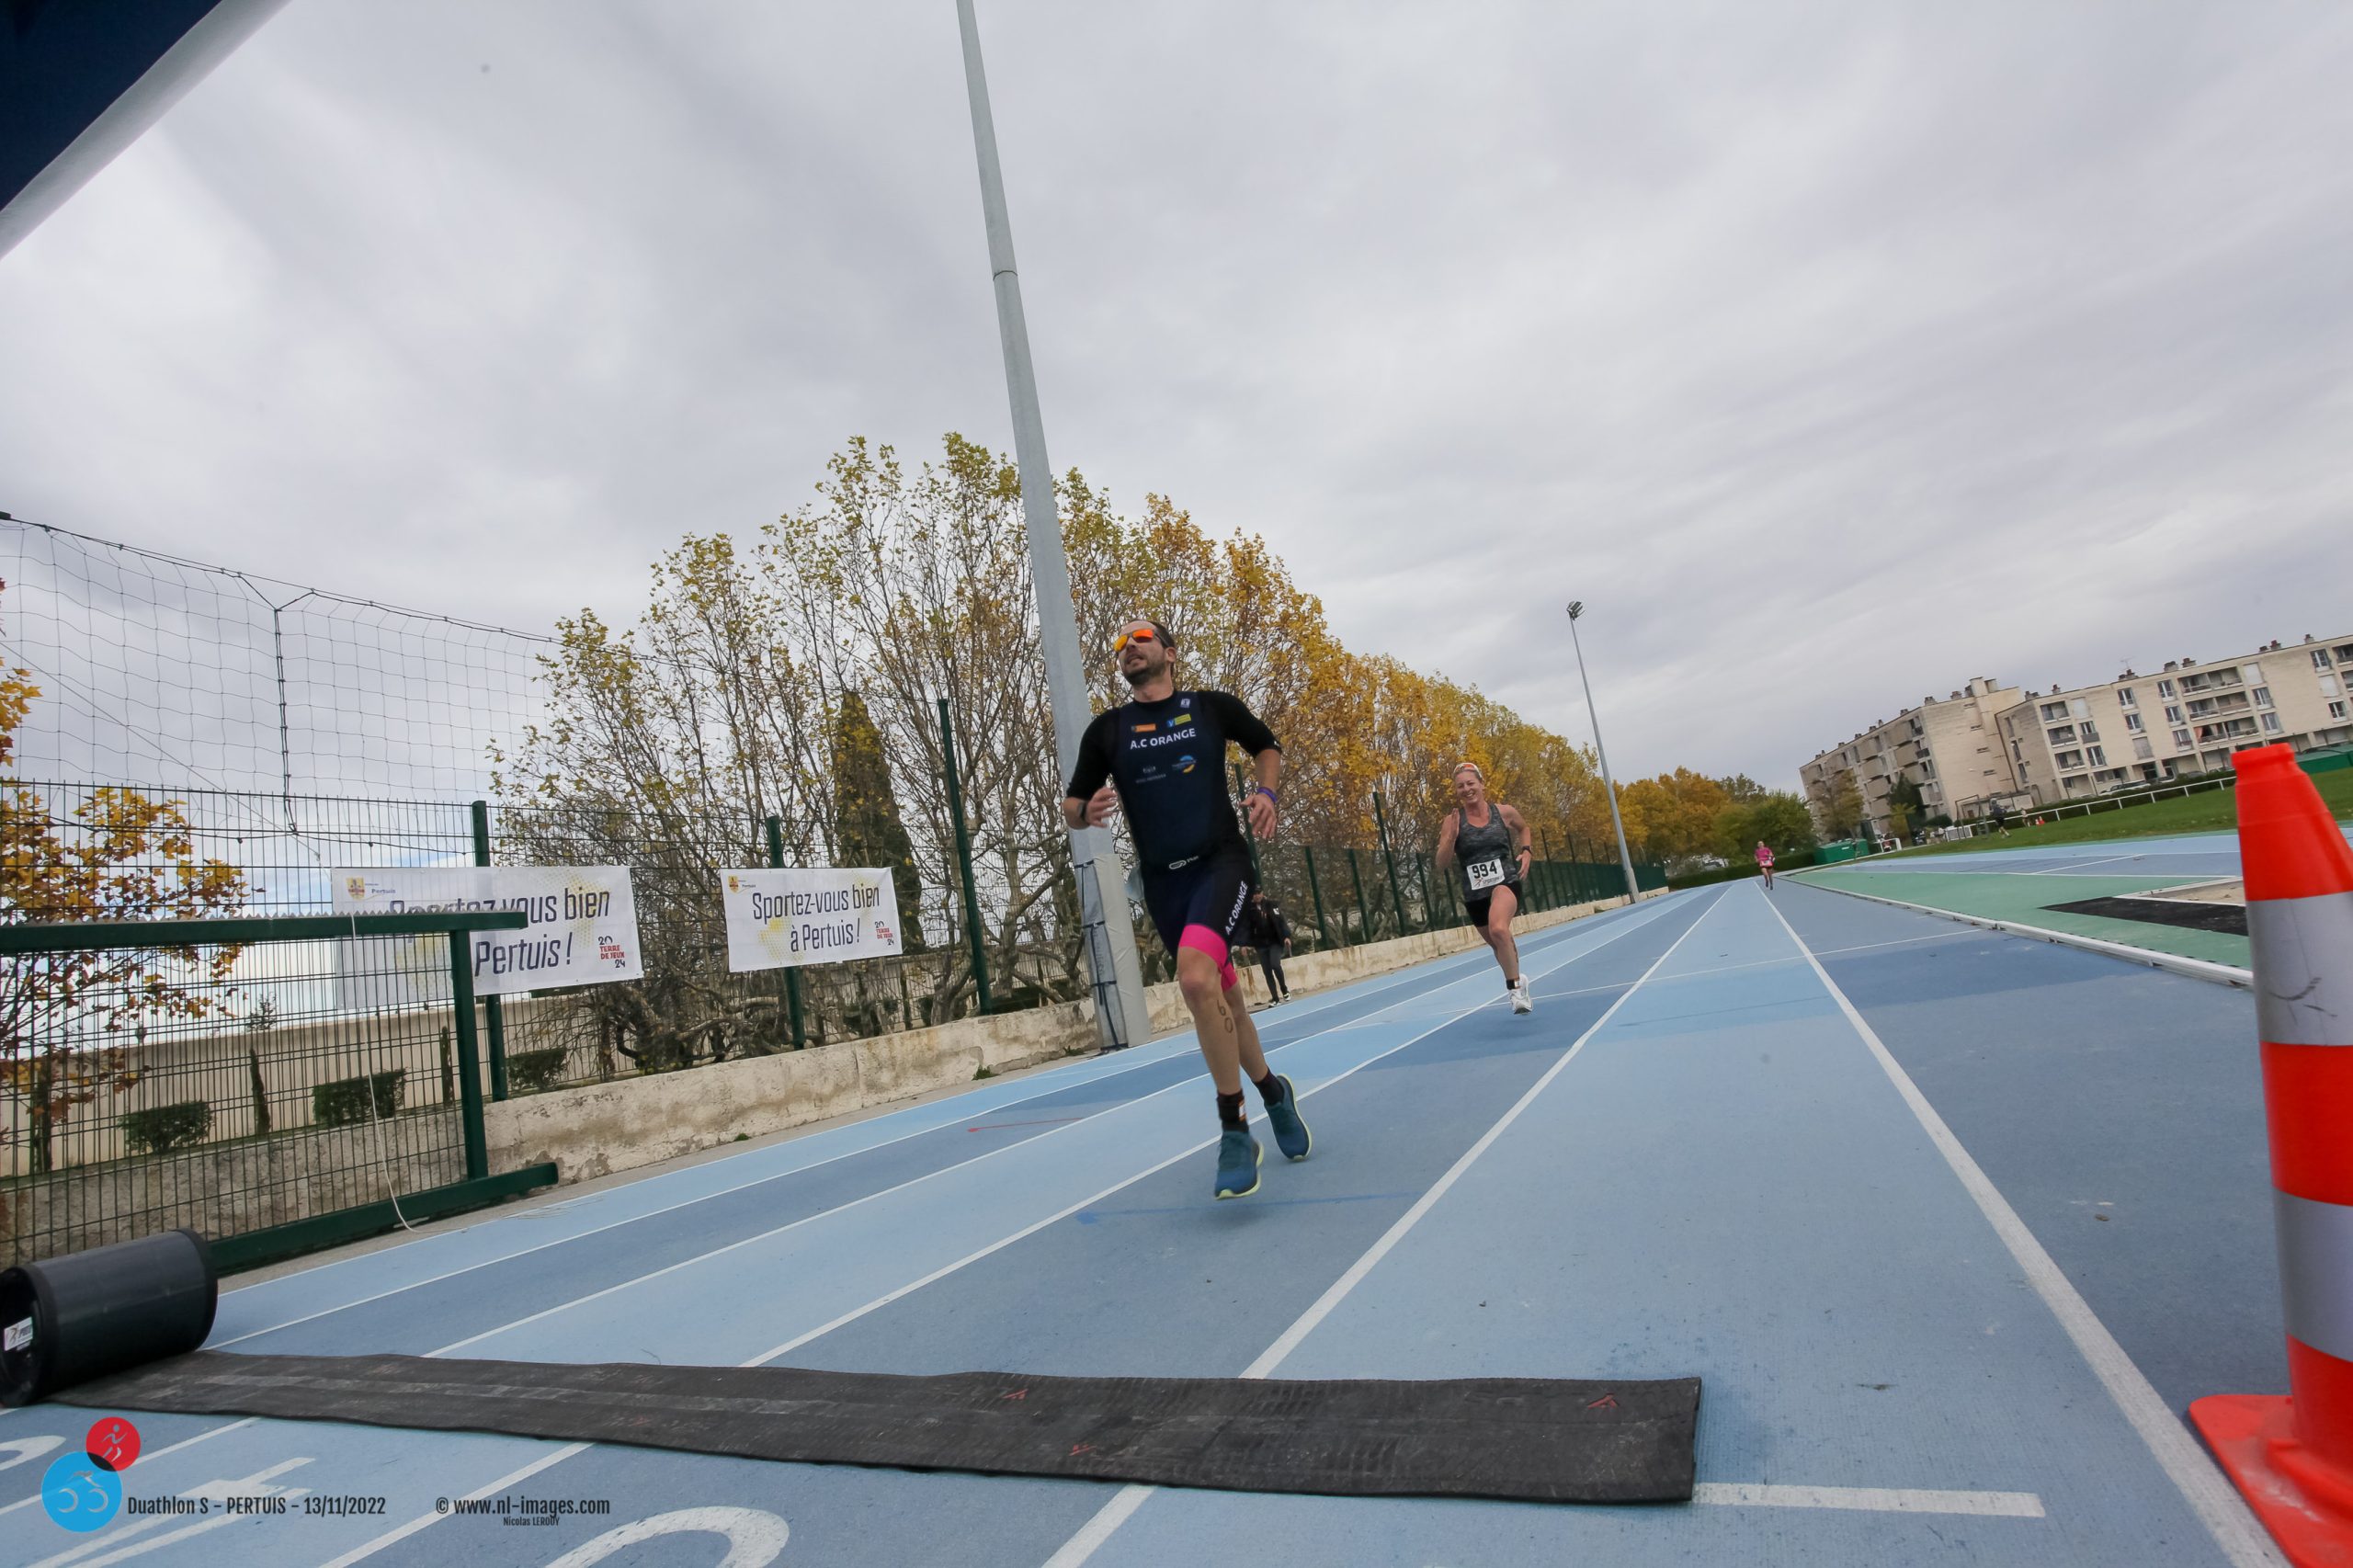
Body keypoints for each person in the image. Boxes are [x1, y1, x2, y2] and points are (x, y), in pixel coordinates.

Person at [1063, 618, 1311, 1200]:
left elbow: (1267, 746)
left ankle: (1234, 1128)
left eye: (1140, 638)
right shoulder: (1108, 731)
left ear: (1170, 653)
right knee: (1223, 999)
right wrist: (1086, 812)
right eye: (1120, 643)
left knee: (1195, 980)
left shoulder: (1210, 708)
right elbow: (1072, 805)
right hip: (1163, 884)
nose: (1128, 647)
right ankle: (1274, 1092)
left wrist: (1267, 793)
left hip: (1220, 862)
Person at [1432, 761, 1535, 1014]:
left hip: (1505, 882)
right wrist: (1451, 838)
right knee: (1498, 944)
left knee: (1499, 929)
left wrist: (1527, 851)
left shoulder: (1504, 812)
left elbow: (1524, 828)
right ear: (1456, 791)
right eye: (1460, 786)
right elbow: (1441, 864)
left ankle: (1515, 990)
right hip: (1474, 893)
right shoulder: (1452, 821)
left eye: (1471, 783)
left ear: (1481, 784)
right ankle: (1519, 980)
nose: (1466, 789)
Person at [1245, 890, 1292, 1006]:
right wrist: (1245, 944)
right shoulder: (1250, 909)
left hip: (1275, 942)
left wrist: (1286, 936)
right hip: (1260, 944)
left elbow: (1281, 921)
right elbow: (1247, 928)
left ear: (1262, 893)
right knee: (1267, 971)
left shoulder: (1271, 905)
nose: (1256, 896)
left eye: (1258, 893)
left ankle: (1284, 989)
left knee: (1275, 965)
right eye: (1254, 894)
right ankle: (1275, 998)